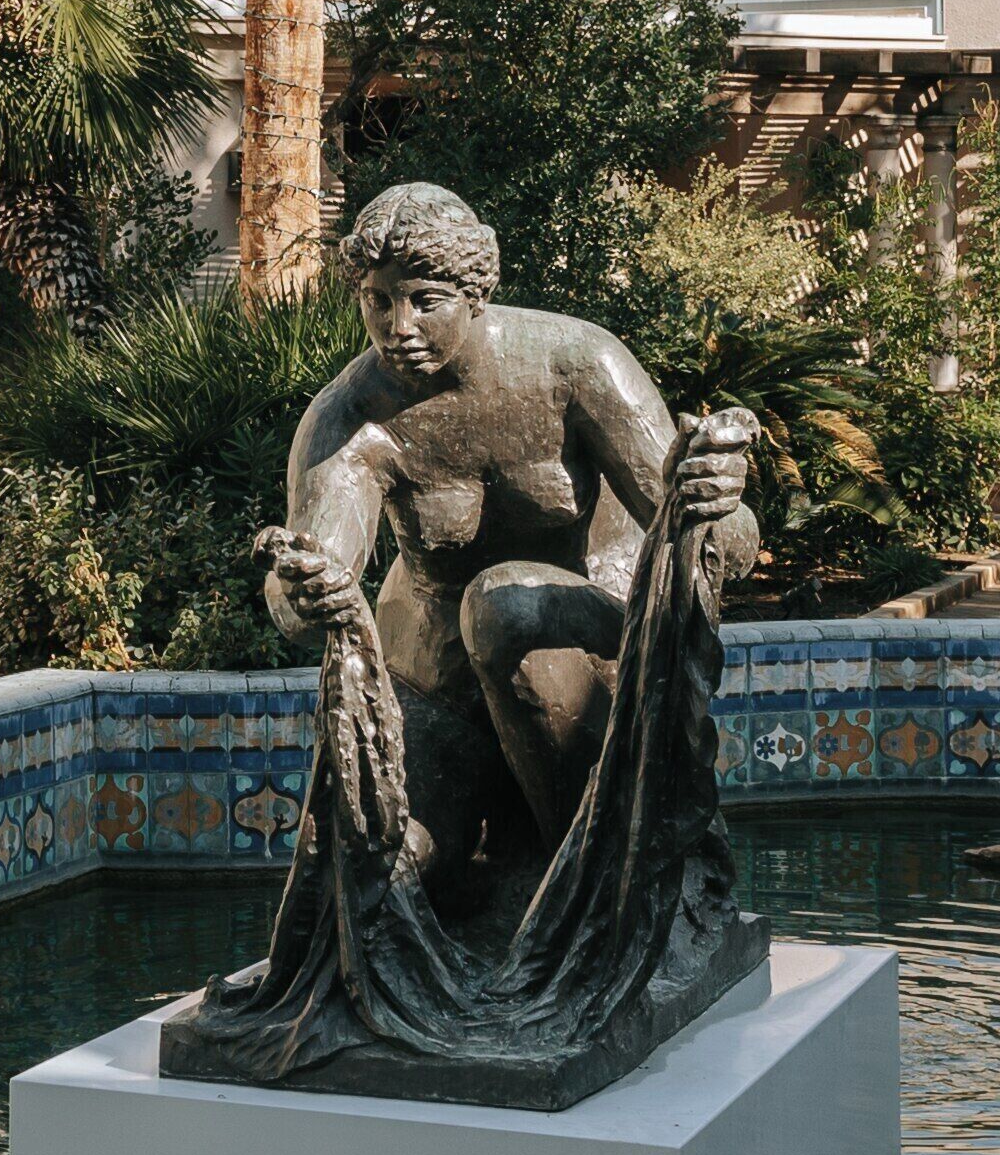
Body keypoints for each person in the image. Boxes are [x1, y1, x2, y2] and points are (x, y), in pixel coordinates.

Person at [267, 180, 756, 889]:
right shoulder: (350, 419)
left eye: (424, 301)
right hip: (439, 685)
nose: (397, 326)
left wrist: (716, 500)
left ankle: (587, 883)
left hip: (585, 649)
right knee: (369, 875)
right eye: (379, 300)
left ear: (475, 294)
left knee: (502, 607)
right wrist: (299, 591)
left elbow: (721, 546)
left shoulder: (575, 364)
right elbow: (308, 577)